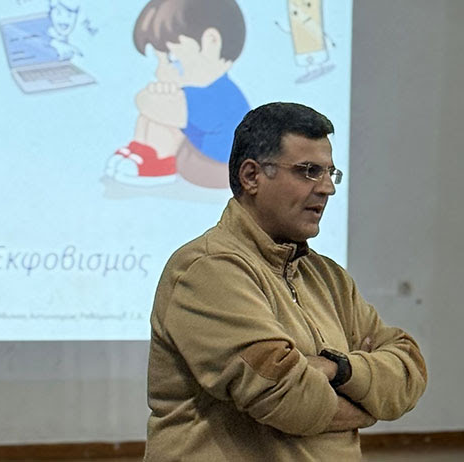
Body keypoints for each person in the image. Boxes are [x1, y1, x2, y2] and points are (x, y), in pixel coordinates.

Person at [144, 102, 427, 461]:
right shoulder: (206, 269)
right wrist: (368, 405)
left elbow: (409, 371)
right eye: (309, 171)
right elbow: (289, 399)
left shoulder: (329, 277)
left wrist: (337, 368)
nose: (327, 188)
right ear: (251, 176)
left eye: (330, 172)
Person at [106, 0, 249, 188]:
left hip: (217, 167)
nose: (160, 72)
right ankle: (142, 152)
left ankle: (159, 165)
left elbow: (148, 104)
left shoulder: (216, 95)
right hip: (206, 154)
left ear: (211, 43)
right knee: (156, 115)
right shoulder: (196, 89)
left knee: (164, 123)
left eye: (172, 59)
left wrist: (153, 96)